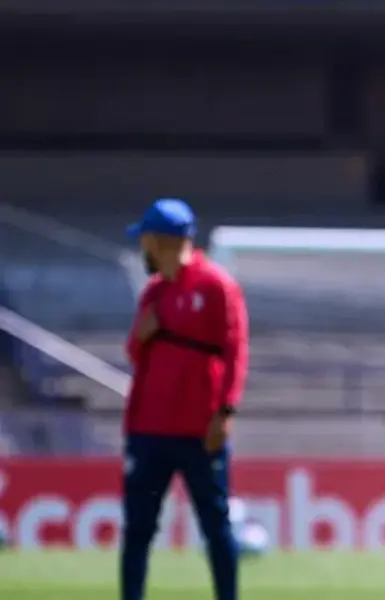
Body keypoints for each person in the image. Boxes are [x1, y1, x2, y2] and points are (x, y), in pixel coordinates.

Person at [121, 198, 249, 600]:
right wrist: (142, 335)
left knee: (215, 525)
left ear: (161, 240)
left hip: (199, 430)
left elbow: (235, 351)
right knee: (138, 527)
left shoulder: (216, 285)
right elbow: (135, 352)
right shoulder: (154, 291)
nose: (143, 248)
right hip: (149, 429)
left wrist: (224, 411)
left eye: (146, 239)